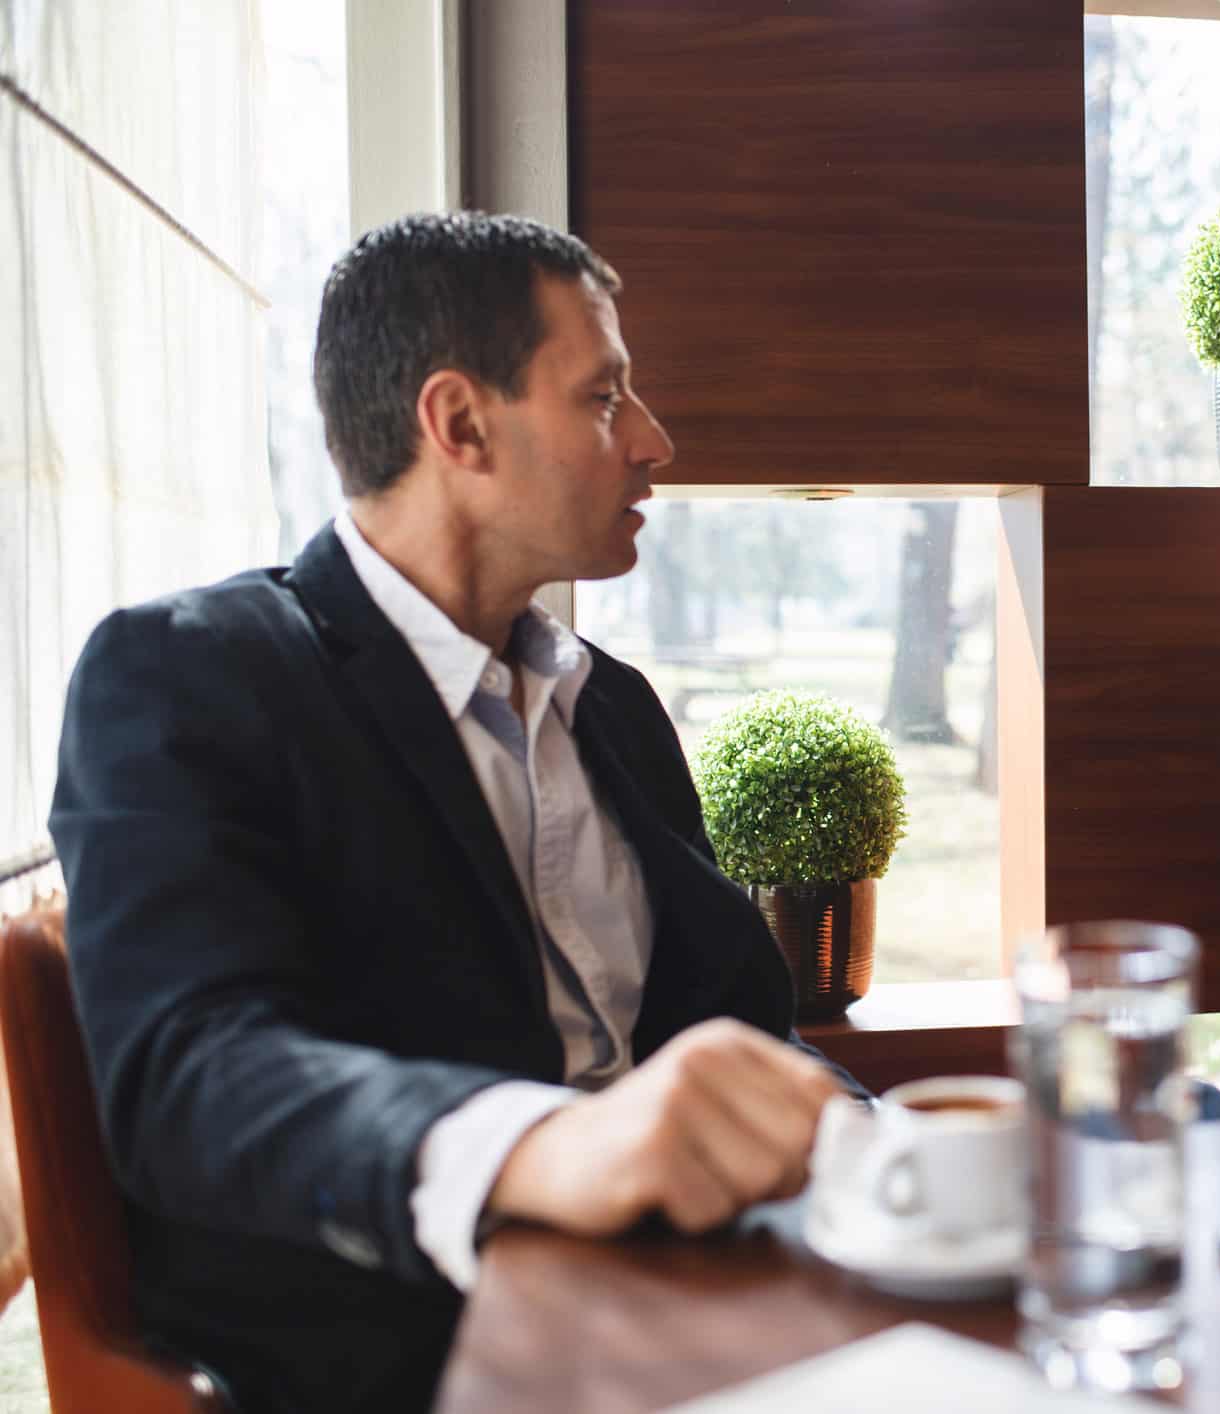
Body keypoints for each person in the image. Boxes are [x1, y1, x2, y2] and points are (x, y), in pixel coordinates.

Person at [48, 213, 859, 1412]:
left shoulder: (615, 709)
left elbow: (735, 1030)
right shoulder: (184, 674)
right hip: (429, 1360)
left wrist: (897, 1149)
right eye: (604, 398)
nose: (654, 442)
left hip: (718, 1310)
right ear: (459, 424)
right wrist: (536, 1145)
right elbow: (193, 1074)